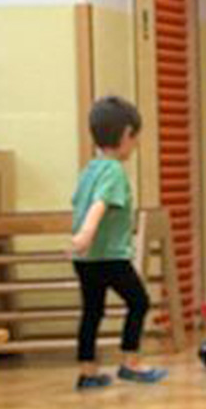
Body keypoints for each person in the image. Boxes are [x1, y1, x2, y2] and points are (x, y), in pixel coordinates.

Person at [68, 95, 166, 390]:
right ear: (126, 135)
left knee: (92, 311)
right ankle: (130, 362)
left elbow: (79, 202)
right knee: (139, 302)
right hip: (109, 256)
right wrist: (87, 233)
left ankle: (88, 370)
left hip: (85, 261)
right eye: (135, 139)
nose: (135, 146)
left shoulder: (90, 169)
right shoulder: (113, 171)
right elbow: (100, 204)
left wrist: (81, 240)